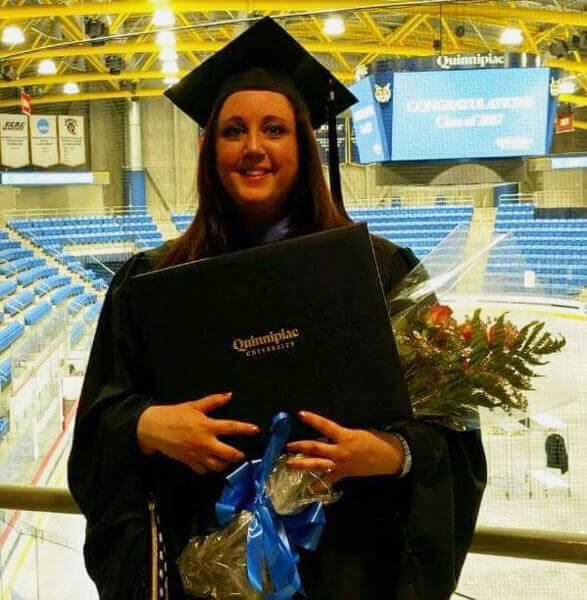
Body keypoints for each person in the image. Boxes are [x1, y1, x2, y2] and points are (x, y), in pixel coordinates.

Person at [68, 17, 486, 600]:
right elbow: (94, 431)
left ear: (304, 146)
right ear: (210, 150)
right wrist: (143, 426)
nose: (254, 147)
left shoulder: (379, 272)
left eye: (274, 129)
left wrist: (389, 454)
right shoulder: (154, 281)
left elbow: (455, 437)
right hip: (201, 568)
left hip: (349, 566)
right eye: (234, 130)